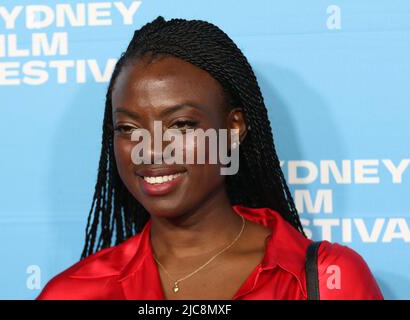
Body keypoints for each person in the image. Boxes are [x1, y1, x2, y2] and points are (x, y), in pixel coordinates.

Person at [37, 16, 383, 300]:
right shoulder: (72, 292)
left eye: (181, 124)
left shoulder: (328, 281)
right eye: (127, 128)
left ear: (233, 128)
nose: (150, 149)